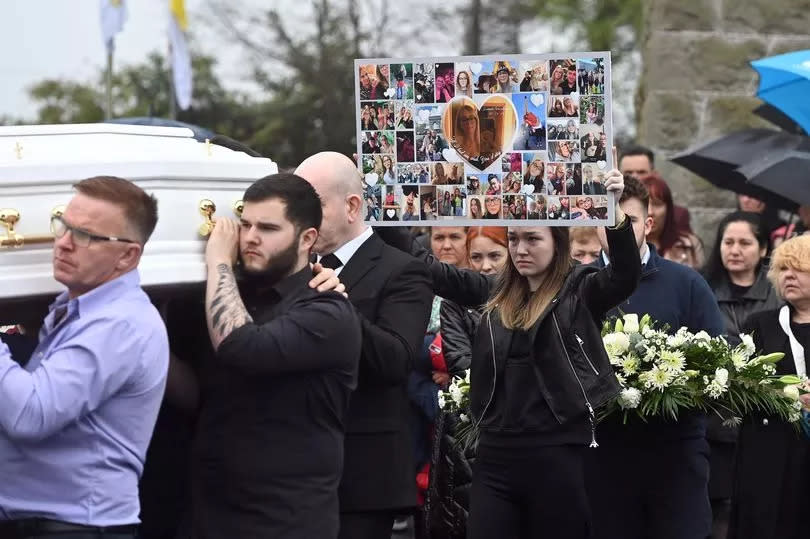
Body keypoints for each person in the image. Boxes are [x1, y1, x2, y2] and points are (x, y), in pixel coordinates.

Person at [380, 168, 641, 539]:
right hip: (496, 458)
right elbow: (430, 269)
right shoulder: (492, 292)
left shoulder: (580, 290)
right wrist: (381, 204)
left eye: (532, 239)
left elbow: (625, 275)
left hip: (559, 454)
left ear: (558, 243)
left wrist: (614, 213)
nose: (520, 250)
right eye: (514, 239)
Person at [191, 174, 360, 538]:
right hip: (211, 514)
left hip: (287, 520)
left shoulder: (328, 312)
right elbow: (195, 392)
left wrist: (218, 261)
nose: (250, 237)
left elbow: (240, 347)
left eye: (267, 228)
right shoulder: (236, 299)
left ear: (307, 239)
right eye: (245, 224)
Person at [0, 176, 168, 539]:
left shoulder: (118, 324)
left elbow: (31, 414)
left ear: (128, 255)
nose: (63, 243)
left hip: (76, 528)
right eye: (64, 225)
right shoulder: (82, 310)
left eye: (86, 236)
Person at [294, 152, 434, 539]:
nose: (300, 217)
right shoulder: (295, 268)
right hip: (296, 472)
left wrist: (341, 308)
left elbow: (394, 361)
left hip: (363, 476)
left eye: (313, 205)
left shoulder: (403, 269)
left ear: (352, 205)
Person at [587, 175, 725, 539]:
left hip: (675, 456)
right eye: (606, 220)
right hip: (603, 457)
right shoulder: (578, 284)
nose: (615, 230)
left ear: (648, 224)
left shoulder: (686, 283)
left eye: (627, 221)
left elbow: (716, 361)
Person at [703, 211, 782, 538]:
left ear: (763, 249)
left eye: (745, 243)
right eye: (728, 242)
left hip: (766, 417)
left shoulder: (778, 293)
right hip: (714, 418)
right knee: (716, 508)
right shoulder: (702, 287)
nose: (734, 250)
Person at [729, 234, 810, 539]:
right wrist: (783, 395)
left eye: (799, 268)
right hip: (769, 452)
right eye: (783, 269)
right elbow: (739, 385)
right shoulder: (760, 323)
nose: (788, 275)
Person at [620, 144, 691, 232]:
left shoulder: (678, 216)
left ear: (654, 174)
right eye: (628, 173)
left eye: (642, 172)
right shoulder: (607, 214)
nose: (635, 178)